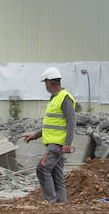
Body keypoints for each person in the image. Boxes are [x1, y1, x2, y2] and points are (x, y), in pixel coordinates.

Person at [22, 66, 76, 203]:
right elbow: (51, 126)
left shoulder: (64, 98)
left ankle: (50, 201)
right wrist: (35, 135)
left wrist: (67, 144)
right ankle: (60, 204)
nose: (45, 86)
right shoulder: (55, 98)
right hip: (54, 143)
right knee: (56, 175)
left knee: (42, 168)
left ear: (48, 82)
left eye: (45, 83)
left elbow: (71, 122)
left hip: (57, 145)